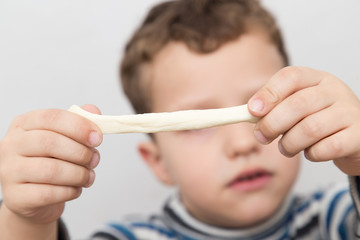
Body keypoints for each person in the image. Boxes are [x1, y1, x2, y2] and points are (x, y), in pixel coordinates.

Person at [1, 0, 360, 239]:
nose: (242, 144)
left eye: (260, 109)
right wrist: (28, 221)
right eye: (197, 124)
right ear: (158, 162)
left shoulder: (337, 216)